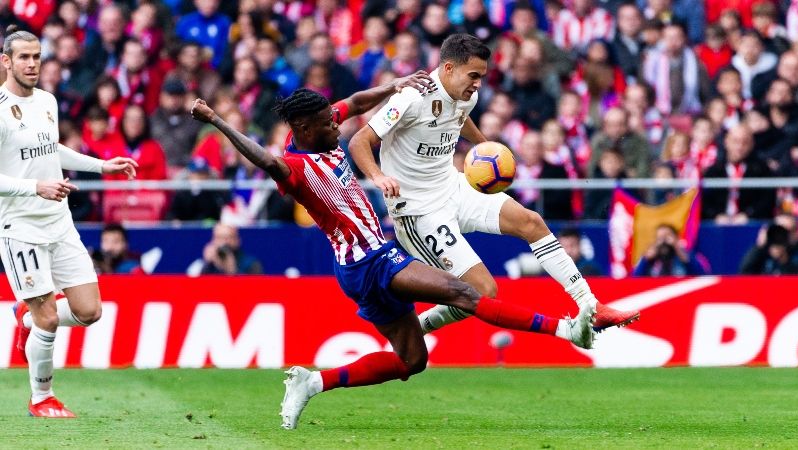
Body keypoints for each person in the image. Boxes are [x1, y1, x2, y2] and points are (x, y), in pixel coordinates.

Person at [190, 85, 597, 430]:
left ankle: (312, 383)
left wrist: (396, 84)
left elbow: (356, 100)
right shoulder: (293, 167)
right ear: (302, 129)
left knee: (412, 360)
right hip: (368, 262)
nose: (337, 125)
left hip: (366, 262)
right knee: (465, 292)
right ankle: (565, 331)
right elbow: (262, 159)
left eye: (334, 119)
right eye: (329, 123)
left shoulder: (320, 128)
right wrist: (216, 120)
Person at [348, 33, 639, 335]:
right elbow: (360, 140)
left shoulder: (466, 95)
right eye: (473, 76)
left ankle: (592, 307)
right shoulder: (412, 98)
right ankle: (414, 328)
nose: (478, 84)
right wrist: (379, 177)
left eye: (482, 77)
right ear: (448, 69)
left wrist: (486, 146)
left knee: (531, 221)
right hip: (419, 211)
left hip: (454, 187)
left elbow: (459, 118)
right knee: (484, 290)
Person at [1, 26, 138, 418]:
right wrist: (35, 187)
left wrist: (100, 165)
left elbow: (51, 148)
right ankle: (41, 397)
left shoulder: (46, 101)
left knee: (89, 311)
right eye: (23, 57)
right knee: (47, 317)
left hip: (59, 222)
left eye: (36, 56)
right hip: (20, 227)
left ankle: (26, 316)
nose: (32, 64)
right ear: (6, 61)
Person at [633, 224, 707, 277]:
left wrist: (680, 253)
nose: (664, 241)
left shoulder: (688, 255)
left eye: (667, 236)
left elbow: (702, 275)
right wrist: (645, 260)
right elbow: (635, 279)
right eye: (660, 238)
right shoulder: (650, 259)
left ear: (676, 238)